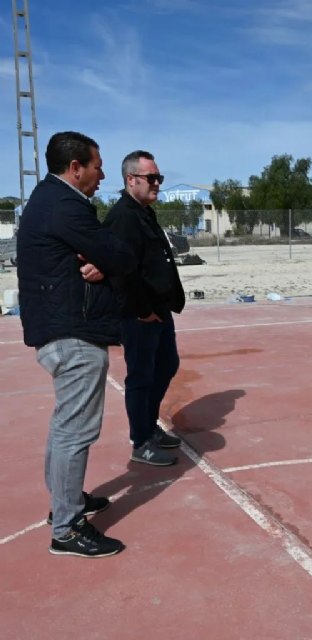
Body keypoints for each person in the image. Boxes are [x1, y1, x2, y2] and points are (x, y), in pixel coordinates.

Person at [17, 131, 136, 557]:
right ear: (75, 168)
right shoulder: (65, 204)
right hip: (72, 331)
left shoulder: (46, 201)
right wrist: (105, 261)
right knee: (75, 430)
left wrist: (99, 263)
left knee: (64, 424)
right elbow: (119, 254)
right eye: (97, 166)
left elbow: (102, 255)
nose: (102, 174)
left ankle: (65, 504)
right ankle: (66, 529)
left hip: (58, 327)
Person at [104, 151, 185, 466]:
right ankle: (141, 441)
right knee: (141, 377)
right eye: (152, 178)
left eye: (159, 178)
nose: (157, 184)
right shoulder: (123, 217)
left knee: (166, 366)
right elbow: (121, 272)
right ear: (131, 179)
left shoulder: (144, 212)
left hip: (159, 309)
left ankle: (149, 427)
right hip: (140, 315)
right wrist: (141, 310)